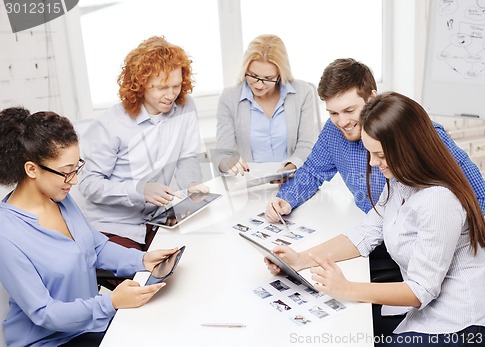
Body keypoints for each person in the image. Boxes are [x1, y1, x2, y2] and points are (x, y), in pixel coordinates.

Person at [265, 92, 485, 345]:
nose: (374, 164)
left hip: (458, 328)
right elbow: (365, 233)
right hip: (422, 314)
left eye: (382, 156)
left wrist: (346, 288)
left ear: (410, 149)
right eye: (370, 153)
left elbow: (421, 290)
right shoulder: (399, 181)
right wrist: (300, 259)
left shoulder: (438, 200)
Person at [0, 107, 177, 347]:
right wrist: (111, 302)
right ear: (32, 169)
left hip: (89, 327)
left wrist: (143, 260)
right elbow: (44, 312)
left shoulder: (59, 197)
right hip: (50, 342)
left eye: (76, 168)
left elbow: (96, 246)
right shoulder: (7, 234)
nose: (74, 180)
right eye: (66, 173)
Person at [266, 58, 485, 220]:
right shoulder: (333, 132)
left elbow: (479, 196)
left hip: (419, 242)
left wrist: (443, 239)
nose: (342, 122)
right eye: (333, 113)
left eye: (349, 110)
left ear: (372, 97)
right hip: (373, 231)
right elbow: (313, 171)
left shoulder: (422, 133)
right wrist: (285, 200)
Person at [79, 36, 207, 252]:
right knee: (147, 279)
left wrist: (191, 185)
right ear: (140, 84)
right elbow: (88, 184)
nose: (171, 95)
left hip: (156, 219)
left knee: (194, 262)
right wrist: (139, 191)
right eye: (161, 88)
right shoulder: (111, 125)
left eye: (176, 86)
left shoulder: (185, 107)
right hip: (113, 228)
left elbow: (187, 157)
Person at [214, 34, 317, 176]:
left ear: (280, 74)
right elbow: (223, 153)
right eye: (253, 75)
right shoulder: (229, 97)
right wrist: (228, 162)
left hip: (292, 178)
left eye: (268, 79)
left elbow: (306, 145)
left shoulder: (302, 92)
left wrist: (289, 170)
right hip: (249, 183)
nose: (259, 85)